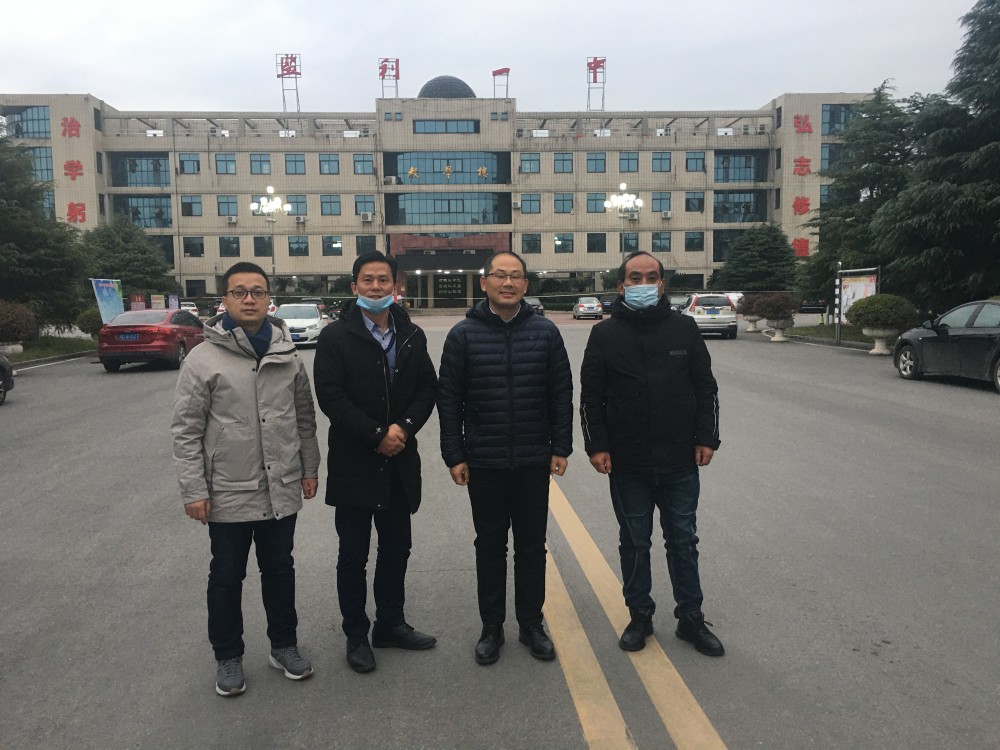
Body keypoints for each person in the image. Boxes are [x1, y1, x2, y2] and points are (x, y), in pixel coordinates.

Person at [171, 261, 320, 697]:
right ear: (225, 300)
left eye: (258, 291)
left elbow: (304, 417)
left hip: (281, 485)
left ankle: (284, 646)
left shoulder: (287, 354)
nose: (249, 299)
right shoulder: (203, 359)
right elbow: (186, 430)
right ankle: (228, 655)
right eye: (240, 292)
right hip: (227, 490)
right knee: (226, 576)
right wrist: (194, 490)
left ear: (269, 299)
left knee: (280, 570)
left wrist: (309, 468)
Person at [579, 251, 724, 657]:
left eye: (651, 276)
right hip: (628, 462)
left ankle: (690, 617)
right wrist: (597, 445)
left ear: (662, 284)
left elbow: (705, 386)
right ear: (621, 285)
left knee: (683, 540)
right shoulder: (605, 335)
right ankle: (639, 615)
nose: (643, 283)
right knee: (635, 542)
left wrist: (707, 437)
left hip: (680, 460)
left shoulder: (684, 328)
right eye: (635, 277)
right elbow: (591, 397)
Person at [437, 250, 573, 666]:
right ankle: (491, 627)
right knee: (490, 547)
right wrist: (454, 454)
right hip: (485, 461)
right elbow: (449, 401)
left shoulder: (545, 333)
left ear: (526, 285)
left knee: (532, 547)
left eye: (516, 276)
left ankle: (531, 624)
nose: (508, 283)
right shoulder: (463, 335)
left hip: (533, 459)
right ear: (485, 283)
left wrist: (560, 447)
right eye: (500, 275)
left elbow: (561, 393)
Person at [313, 251, 438, 674]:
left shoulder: (411, 334)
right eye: (367, 280)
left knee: (396, 549)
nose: (376, 287)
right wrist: (375, 435)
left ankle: (391, 624)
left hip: (399, 462)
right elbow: (331, 397)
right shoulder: (335, 337)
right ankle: (355, 634)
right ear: (354, 287)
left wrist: (402, 428)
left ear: (394, 286)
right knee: (353, 555)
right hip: (355, 463)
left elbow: (427, 388)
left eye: (383, 280)